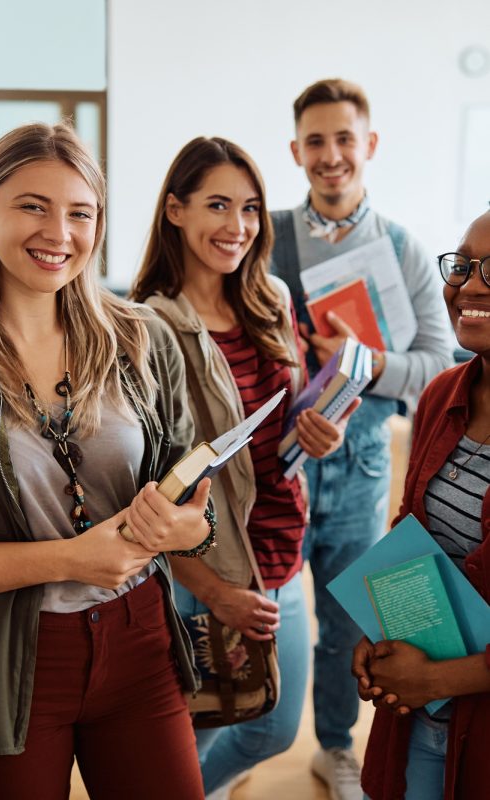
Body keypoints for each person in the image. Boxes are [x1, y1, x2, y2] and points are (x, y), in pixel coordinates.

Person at [0, 121, 215, 800]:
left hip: (140, 639)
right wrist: (69, 559)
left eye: (81, 213)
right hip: (11, 661)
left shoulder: (140, 338)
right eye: (33, 206)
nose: (59, 232)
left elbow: (193, 503)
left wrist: (187, 530)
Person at [130, 135, 358, 799]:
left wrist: (326, 436)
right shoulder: (148, 326)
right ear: (176, 210)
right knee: (199, 733)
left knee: (270, 728)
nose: (238, 226)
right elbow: (148, 488)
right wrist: (214, 591)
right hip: (206, 568)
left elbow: (294, 417)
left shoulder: (272, 298)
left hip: (282, 551)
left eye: (251, 208)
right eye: (218, 205)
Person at [270, 78, 454, 800]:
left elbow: (438, 363)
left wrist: (364, 361)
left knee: (346, 623)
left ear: (368, 144)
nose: (331, 155)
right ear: (295, 151)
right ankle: (248, 735)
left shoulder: (404, 249)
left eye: (344, 138)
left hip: (364, 464)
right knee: (265, 613)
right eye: (315, 141)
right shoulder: (267, 237)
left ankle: (335, 747)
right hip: (280, 463)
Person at [352, 210, 490, 799]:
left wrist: (435, 679)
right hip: (418, 718)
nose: (470, 286)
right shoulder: (440, 395)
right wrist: (381, 629)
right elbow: (412, 536)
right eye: (463, 265)